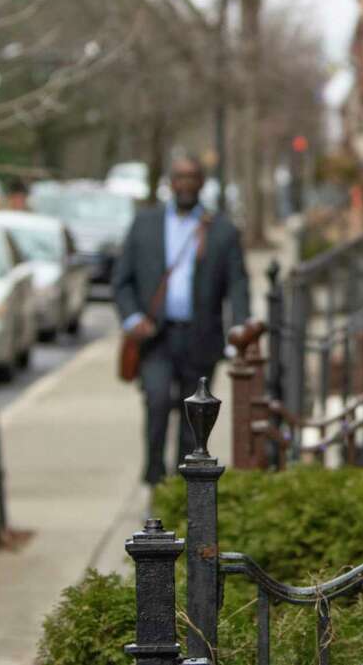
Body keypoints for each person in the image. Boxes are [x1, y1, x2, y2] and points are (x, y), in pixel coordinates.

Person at [113, 155, 250, 485]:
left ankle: (184, 489)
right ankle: (155, 482)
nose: (186, 183)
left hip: (201, 338)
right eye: (180, 177)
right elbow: (122, 279)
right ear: (170, 183)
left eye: (192, 177)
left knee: (196, 420)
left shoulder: (222, 230)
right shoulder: (144, 224)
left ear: (202, 182)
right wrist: (132, 319)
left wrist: (240, 329)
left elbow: (238, 283)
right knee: (157, 402)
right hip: (156, 337)